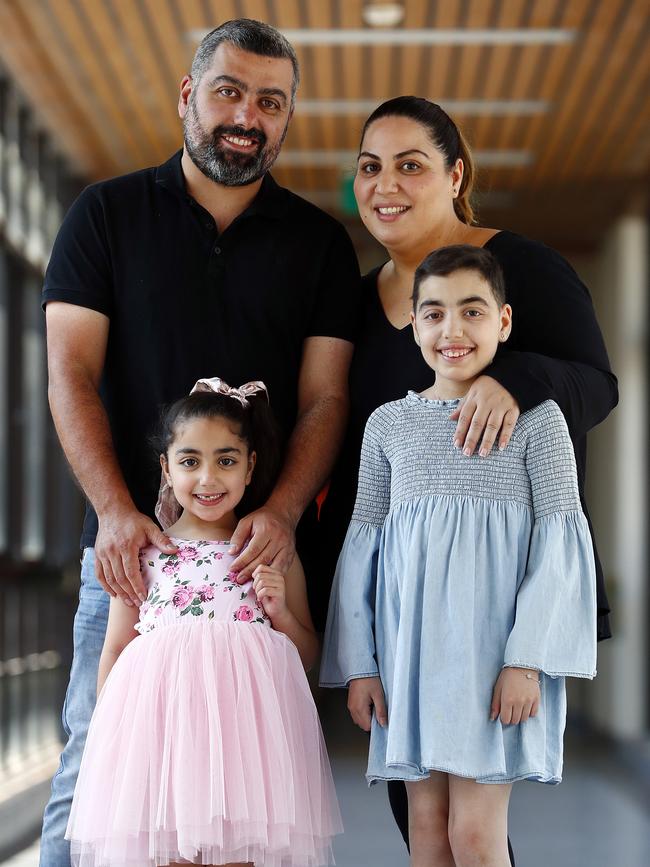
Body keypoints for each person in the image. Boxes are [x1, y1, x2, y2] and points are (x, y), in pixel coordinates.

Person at [40, 19, 360, 866]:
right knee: (93, 769)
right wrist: (113, 511)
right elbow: (68, 373)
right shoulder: (104, 215)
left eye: (270, 101)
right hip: (129, 552)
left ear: (288, 117)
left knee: (245, 806)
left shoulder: (320, 244)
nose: (246, 115)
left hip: (261, 557)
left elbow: (327, 397)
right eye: (228, 90)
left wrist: (286, 511)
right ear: (188, 95)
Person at [314, 96, 617, 855]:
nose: (387, 184)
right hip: (409, 615)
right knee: (420, 824)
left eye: (411, 165)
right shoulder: (353, 304)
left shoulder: (526, 271)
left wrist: (518, 381)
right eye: (371, 167)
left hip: (501, 593)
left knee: (479, 830)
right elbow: (359, 469)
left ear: (455, 174)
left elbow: (597, 382)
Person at [65, 377, 341, 867]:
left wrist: (279, 612)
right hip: (163, 744)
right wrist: (107, 743)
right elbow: (115, 649)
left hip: (246, 751)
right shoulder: (144, 553)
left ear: (250, 465)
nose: (208, 479)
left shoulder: (271, 552)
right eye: (190, 461)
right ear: (166, 469)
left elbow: (307, 657)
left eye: (226, 460)